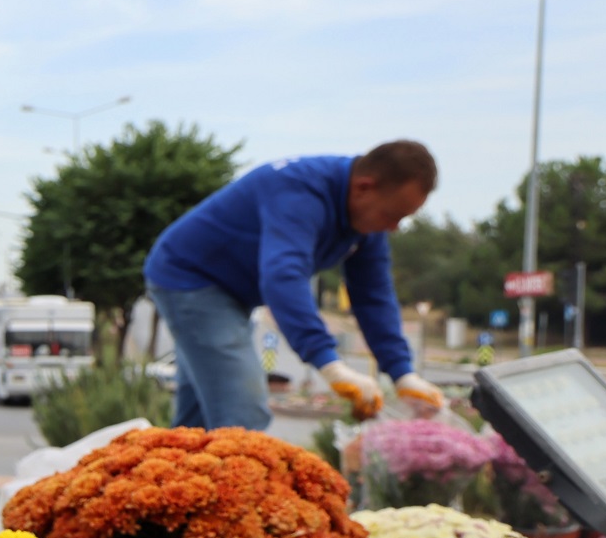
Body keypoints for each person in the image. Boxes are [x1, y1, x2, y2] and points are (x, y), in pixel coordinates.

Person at [143, 140, 447, 432]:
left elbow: (374, 296)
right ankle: (242, 484)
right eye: (392, 216)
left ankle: (168, 479)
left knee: (195, 423)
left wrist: (402, 372)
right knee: (242, 414)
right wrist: (330, 364)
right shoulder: (299, 192)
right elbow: (284, 277)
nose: (393, 227)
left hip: (233, 292)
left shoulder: (367, 219)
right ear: (364, 187)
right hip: (191, 280)